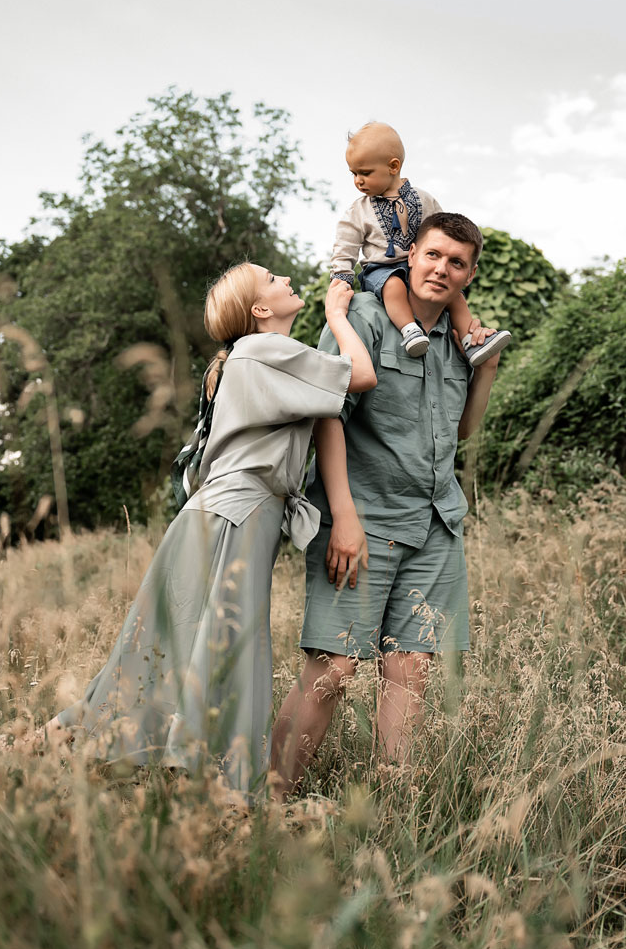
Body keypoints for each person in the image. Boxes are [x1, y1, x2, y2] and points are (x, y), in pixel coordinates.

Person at [27, 263, 376, 797]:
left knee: (156, 654)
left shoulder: (252, 355)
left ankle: (44, 743)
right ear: (260, 309)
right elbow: (361, 375)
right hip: (237, 516)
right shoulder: (265, 349)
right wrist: (336, 314)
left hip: (214, 515)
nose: (285, 279)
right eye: (272, 278)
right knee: (230, 651)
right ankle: (229, 793)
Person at [270, 213, 501, 798]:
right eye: (433, 255)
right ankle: (267, 799)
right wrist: (344, 517)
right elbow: (326, 416)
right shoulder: (364, 318)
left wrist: (488, 369)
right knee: (334, 669)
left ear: (469, 275)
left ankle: (395, 812)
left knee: (411, 670)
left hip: (437, 522)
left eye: (456, 262)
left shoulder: (460, 339)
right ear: (410, 255)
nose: (441, 269)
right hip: (363, 520)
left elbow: (464, 429)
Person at [331, 121, 510, 363]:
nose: (358, 181)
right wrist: (341, 277)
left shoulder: (424, 200)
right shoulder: (359, 210)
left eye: (365, 173)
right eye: (354, 174)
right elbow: (346, 245)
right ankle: (410, 330)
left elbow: (443, 230)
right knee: (393, 285)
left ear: (393, 166)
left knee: (455, 296)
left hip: (417, 266)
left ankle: (471, 340)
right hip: (381, 270)